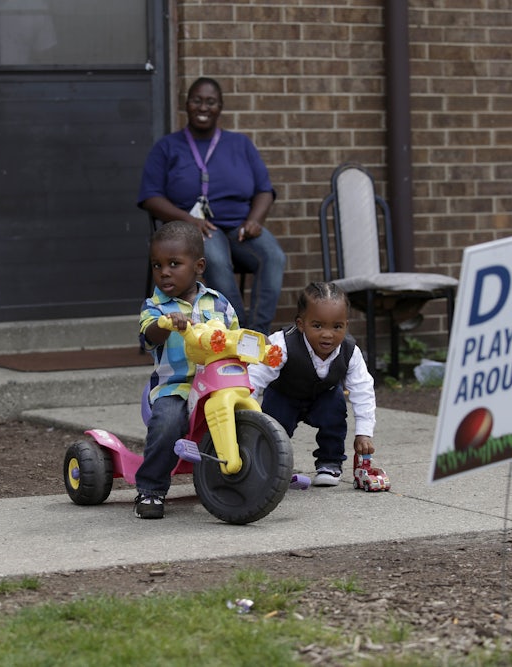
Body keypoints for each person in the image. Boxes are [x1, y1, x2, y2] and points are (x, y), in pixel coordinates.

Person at [137, 76, 285, 334]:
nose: (203, 107)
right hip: (196, 228)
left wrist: (255, 221)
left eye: (211, 102)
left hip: (240, 226)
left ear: (220, 107)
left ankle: (258, 333)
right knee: (214, 259)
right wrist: (188, 219)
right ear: (187, 104)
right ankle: (237, 332)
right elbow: (150, 196)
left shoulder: (240, 144)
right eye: (197, 100)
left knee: (273, 256)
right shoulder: (167, 147)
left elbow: (264, 190)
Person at [135, 220, 239, 518]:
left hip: (220, 385)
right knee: (167, 422)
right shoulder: (155, 307)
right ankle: (151, 489)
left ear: (199, 266)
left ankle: (256, 470)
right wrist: (165, 325)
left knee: (253, 411)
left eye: (174, 264)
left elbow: (235, 336)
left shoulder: (219, 304)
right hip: (177, 387)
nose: (164, 272)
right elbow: (148, 336)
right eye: (157, 265)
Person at [248, 282, 380, 487]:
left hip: (323, 396)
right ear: (301, 324)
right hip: (284, 395)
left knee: (335, 414)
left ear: (346, 324)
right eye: (318, 326)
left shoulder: (350, 351)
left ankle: (330, 462)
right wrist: (246, 405)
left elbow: (363, 389)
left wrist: (364, 432)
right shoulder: (281, 344)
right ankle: (268, 463)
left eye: (337, 326)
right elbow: (256, 376)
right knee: (273, 427)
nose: (328, 334)